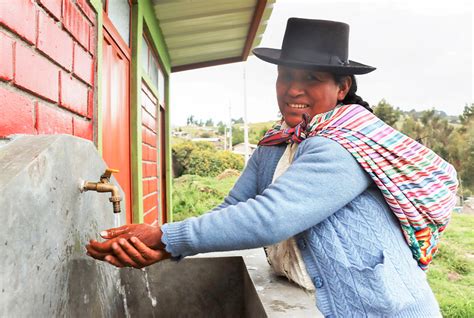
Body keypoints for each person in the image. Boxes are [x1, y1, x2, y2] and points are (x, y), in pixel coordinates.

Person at [86, 18, 458, 317]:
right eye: (286, 77)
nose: (293, 90)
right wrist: (167, 248)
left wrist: (166, 236)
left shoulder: (343, 144)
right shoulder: (277, 142)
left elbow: (271, 217)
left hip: (385, 308)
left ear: (342, 88)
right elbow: (235, 208)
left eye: (311, 78)